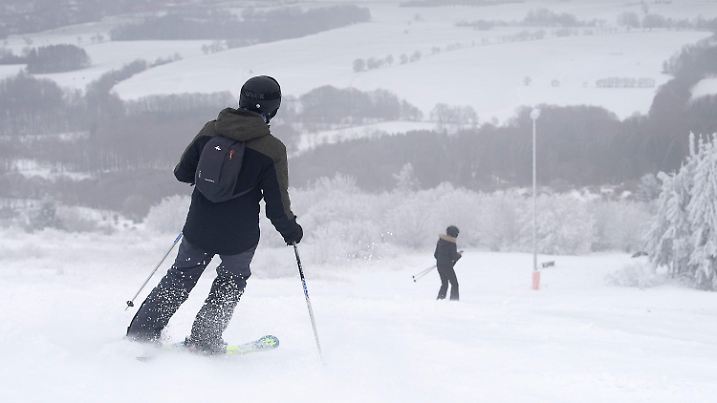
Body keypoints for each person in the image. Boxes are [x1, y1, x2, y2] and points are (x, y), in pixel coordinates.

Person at [126, 75, 303, 354]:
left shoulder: (211, 130)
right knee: (230, 283)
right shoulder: (272, 149)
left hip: (199, 225)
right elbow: (276, 205)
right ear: (274, 108)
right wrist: (291, 230)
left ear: (241, 99)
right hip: (239, 236)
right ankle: (204, 340)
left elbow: (182, 172)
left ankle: (141, 334)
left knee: (180, 277)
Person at [434, 225, 462, 301]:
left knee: (444, 284)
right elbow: (454, 257)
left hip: (439, 265)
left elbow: (436, 255)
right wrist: (459, 255)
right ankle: (454, 300)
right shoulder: (452, 243)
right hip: (447, 266)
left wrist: (441, 260)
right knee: (455, 284)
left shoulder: (440, 241)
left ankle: (440, 299)